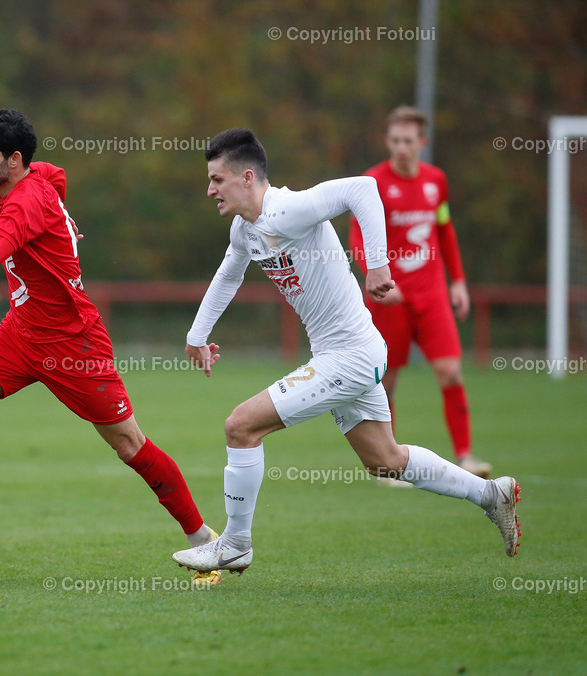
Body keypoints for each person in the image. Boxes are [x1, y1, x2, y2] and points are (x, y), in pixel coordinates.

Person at [0, 108, 221, 584]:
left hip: (73, 344)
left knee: (129, 444)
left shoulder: (22, 203)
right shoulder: (29, 179)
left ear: (13, 160)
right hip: (20, 332)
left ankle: (208, 544)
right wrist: (65, 224)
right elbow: (56, 175)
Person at [170, 128, 521, 576]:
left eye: (217, 180)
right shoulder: (245, 229)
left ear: (246, 177)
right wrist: (197, 336)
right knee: (386, 460)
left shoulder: (288, 208)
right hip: (351, 352)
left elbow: (363, 188)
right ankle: (494, 495)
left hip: (350, 357)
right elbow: (227, 276)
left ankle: (235, 544)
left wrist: (377, 263)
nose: (209, 190)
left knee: (240, 426)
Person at [348, 106, 490, 478]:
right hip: (389, 297)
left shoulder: (435, 181)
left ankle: (466, 455)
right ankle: (388, 464)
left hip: (432, 297)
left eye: (408, 141)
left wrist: (457, 281)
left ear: (422, 142)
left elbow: (444, 229)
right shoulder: (372, 182)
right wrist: (374, 277)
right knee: (386, 381)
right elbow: (357, 237)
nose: (401, 148)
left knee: (451, 372)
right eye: (394, 140)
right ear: (387, 141)